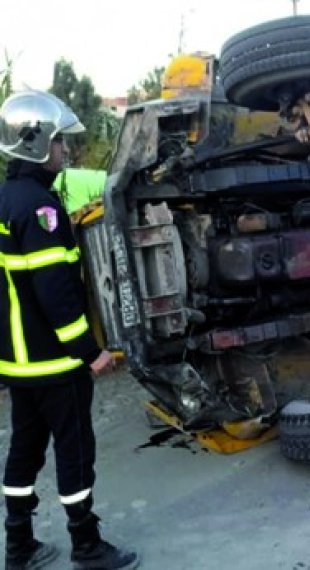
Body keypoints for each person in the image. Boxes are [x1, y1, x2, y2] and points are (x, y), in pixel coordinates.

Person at [0, 91, 138, 569]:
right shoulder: (41, 209)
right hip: (56, 363)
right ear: (36, 143)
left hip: (18, 365)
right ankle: (86, 545)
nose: (67, 151)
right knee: (75, 451)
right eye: (60, 142)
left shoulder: (4, 201)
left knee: (23, 451)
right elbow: (56, 294)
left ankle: (17, 546)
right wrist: (90, 351)